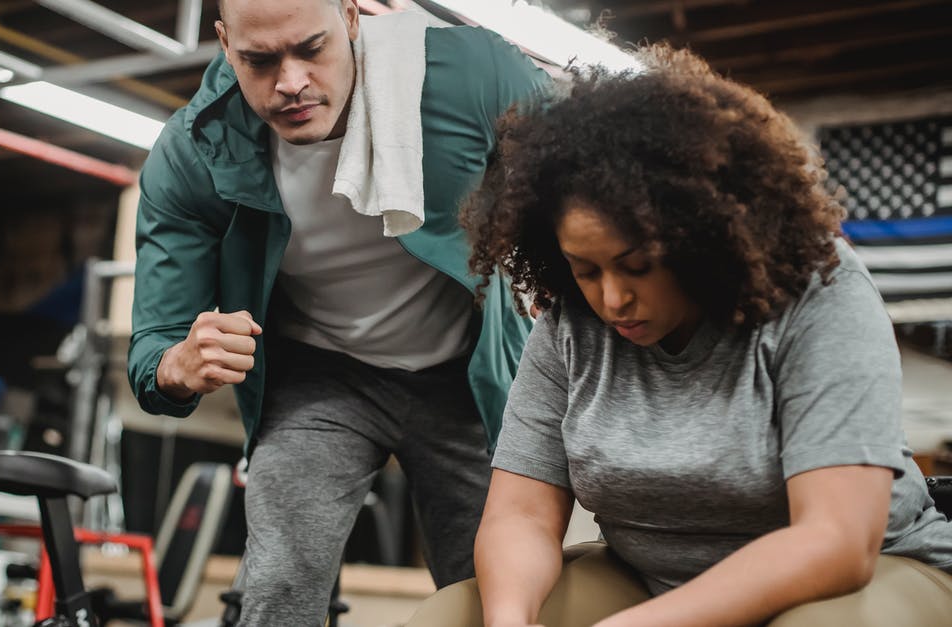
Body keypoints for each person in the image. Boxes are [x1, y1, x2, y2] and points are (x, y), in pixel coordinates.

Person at [406, 46, 952, 627]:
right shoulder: (571, 314)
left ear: (701, 239)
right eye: (586, 270)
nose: (612, 298)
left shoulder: (818, 287)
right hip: (650, 580)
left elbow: (837, 540)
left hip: (863, 577)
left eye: (637, 265)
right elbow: (523, 517)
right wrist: (509, 621)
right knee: (450, 617)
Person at [126, 0, 555, 624]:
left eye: (311, 48)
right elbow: (153, 350)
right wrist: (177, 365)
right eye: (260, 59)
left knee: (494, 590)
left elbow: (592, 166)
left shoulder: (467, 73)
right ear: (223, 43)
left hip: (468, 378)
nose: (291, 81)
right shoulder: (195, 149)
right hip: (321, 378)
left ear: (352, 17)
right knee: (280, 581)